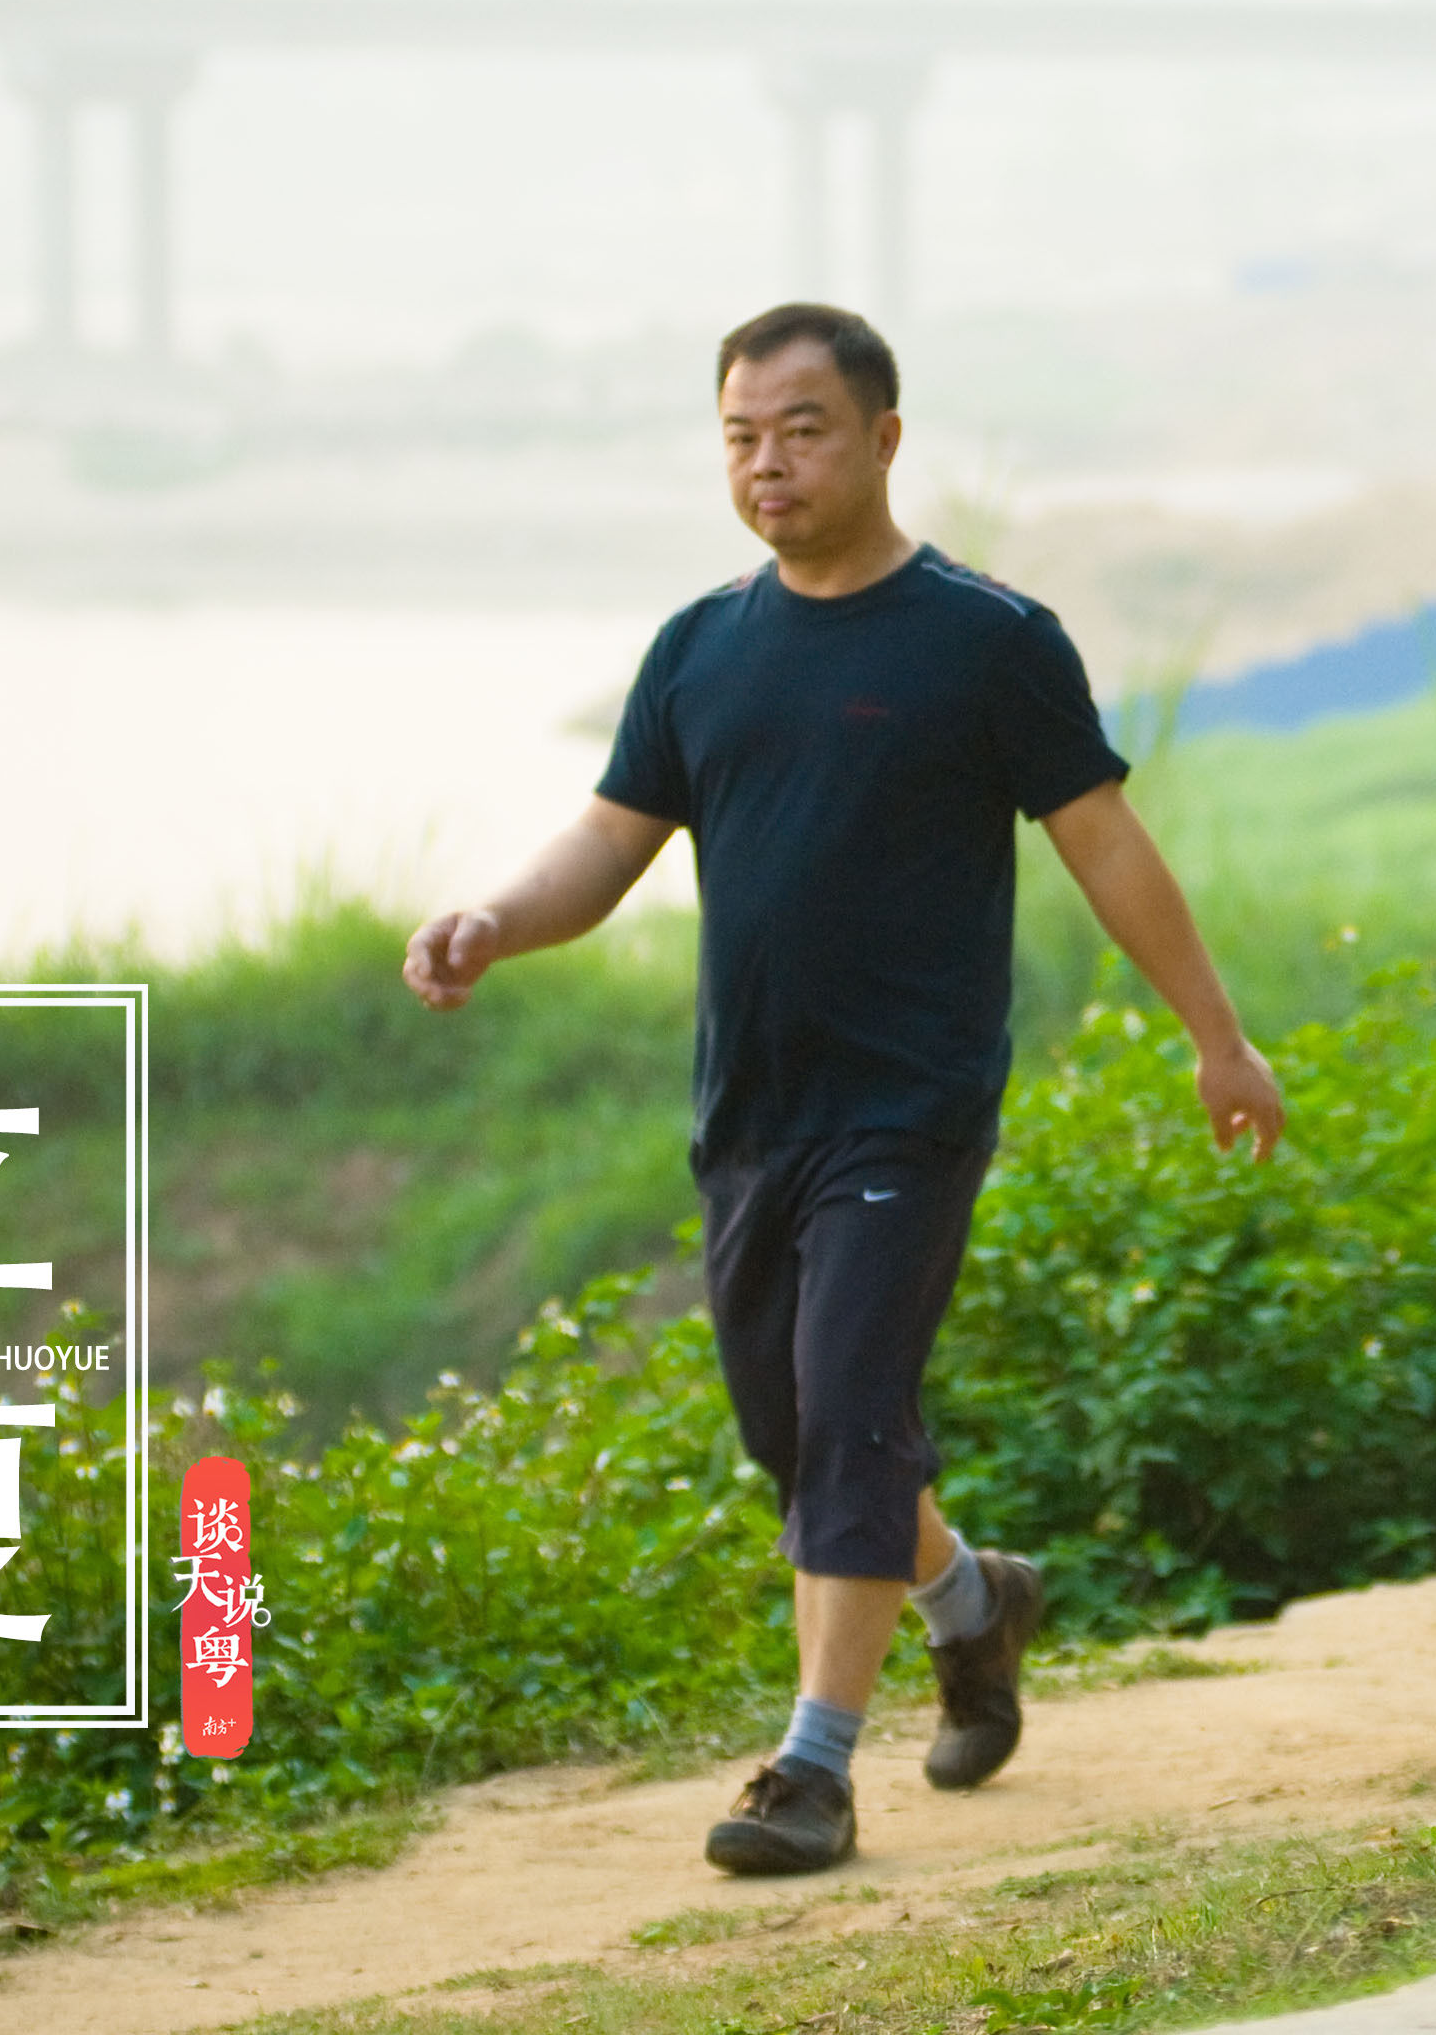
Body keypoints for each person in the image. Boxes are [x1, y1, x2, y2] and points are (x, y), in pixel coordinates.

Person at [400, 301, 1286, 1874]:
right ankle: (974, 1600)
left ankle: (811, 1770)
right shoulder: (701, 648)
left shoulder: (987, 642)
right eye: (740, 435)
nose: (767, 463)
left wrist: (1216, 1035)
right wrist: (497, 921)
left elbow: (1104, 843)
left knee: (852, 1417)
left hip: (912, 1102)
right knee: (794, 1437)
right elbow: (609, 844)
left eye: (800, 430)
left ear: (883, 438)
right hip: (753, 1111)